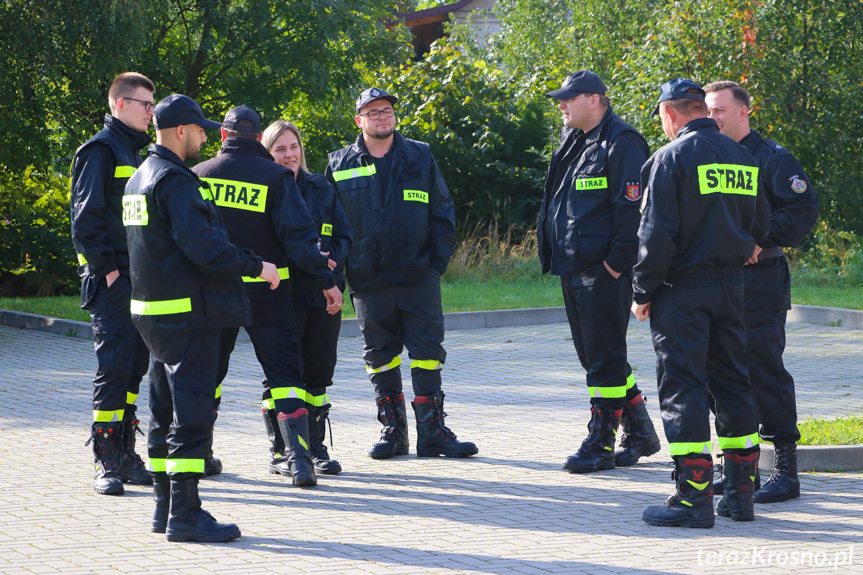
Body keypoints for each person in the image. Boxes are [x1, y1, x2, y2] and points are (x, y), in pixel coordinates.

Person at [124, 94, 280, 542]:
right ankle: (186, 515)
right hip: (189, 316)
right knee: (190, 417)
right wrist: (257, 266)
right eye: (198, 130)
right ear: (179, 131)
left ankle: (163, 508)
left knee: (161, 414)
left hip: (153, 318)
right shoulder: (174, 181)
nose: (203, 138)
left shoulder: (139, 179)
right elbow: (206, 249)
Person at [632, 79, 770, 528]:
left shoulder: (669, 159)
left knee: (683, 389)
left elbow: (656, 236)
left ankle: (693, 499)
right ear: (701, 111)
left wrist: (642, 293)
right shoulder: (743, 156)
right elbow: (762, 224)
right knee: (733, 384)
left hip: (681, 292)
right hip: (731, 288)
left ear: (669, 114)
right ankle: (740, 495)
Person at [192, 107, 344, 487]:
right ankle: (299, 462)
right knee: (286, 376)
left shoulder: (197, 175)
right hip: (271, 291)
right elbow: (299, 237)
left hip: (216, 291)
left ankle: (198, 454)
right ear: (259, 139)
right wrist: (326, 280)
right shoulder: (276, 177)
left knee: (209, 373)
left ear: (224, 137)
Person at [326, 87, 477, 459]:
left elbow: (443, 213)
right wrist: (336, 277)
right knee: (381, 356)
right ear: (358, 120)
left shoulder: (419, 156)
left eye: (387, 110)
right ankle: (393, 432)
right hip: (368, 280)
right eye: (373, 112)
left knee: (427, 353)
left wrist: (434, 267)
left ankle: (433, 432)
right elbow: (329, 224)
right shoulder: (339, 164)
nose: (382, 116)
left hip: (417, 277)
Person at [538, 70, 659, 474]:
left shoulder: (622, 142)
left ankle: (601, 442)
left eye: (569, 98)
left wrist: (614, 265)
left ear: (595, 100)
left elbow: (632, 210)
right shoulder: (575, 140)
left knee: (603, 360)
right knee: (596, 356)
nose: (562, 105)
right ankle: (640, 432)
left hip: (602, 271)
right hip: (573, 267)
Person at [704, 81, 819, 503]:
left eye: (719, 110)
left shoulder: (771, 158)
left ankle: (786, 470)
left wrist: (760, 237)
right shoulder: (708, 155)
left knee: (763, 372)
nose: (712, 117)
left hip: (761, 282)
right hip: (717, 282)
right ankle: (740, 468)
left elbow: (804, 208)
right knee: (720, 375)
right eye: (707, 110)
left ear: (742, 113)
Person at [70, 72, 155, 495]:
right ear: (120, 104)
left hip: (142, 282)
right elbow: (84, 222)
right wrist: (109, 272)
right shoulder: (100, 150)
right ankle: (106, 460)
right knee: (114, 369)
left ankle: (125, 452)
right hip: (114, 284)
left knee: (135, 370)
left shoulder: (139, 153)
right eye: (145, 104)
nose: (150, 112)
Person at [261, 120, 352, 475]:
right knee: (282, 375)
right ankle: (282, 449)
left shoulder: (321, 187)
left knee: (318, 373)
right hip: (283, 294)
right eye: (280, 149)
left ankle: (316, 448)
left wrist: (332, 260)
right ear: (268, 153)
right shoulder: (267, 187)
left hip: (325, 292)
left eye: (293, 147)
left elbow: (344, 235)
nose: (289, 155)